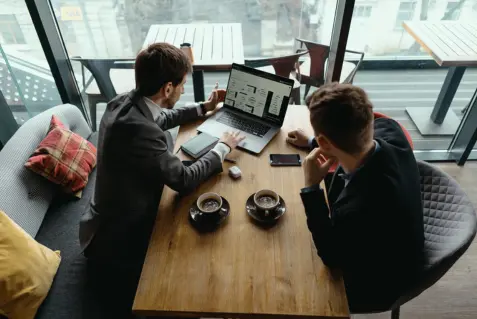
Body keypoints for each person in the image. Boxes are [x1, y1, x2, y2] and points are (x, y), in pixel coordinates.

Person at [79, 43, 244, 266]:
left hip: (105, 218)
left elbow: (162, 118)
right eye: (182, 85)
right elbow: (184, 180)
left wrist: (205, 107)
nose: (183, 90)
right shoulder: (139, 131)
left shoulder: (124, 102)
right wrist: (223, 146)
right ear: (167, 89)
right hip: (116, 239)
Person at [287, 83, 424, 312]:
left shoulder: (358, 209)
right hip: (394, 234)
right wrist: (313, 142)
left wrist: (311, 188)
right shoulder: (391, 129)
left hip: (379, 285)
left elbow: (331, 256)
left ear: (325, 142)